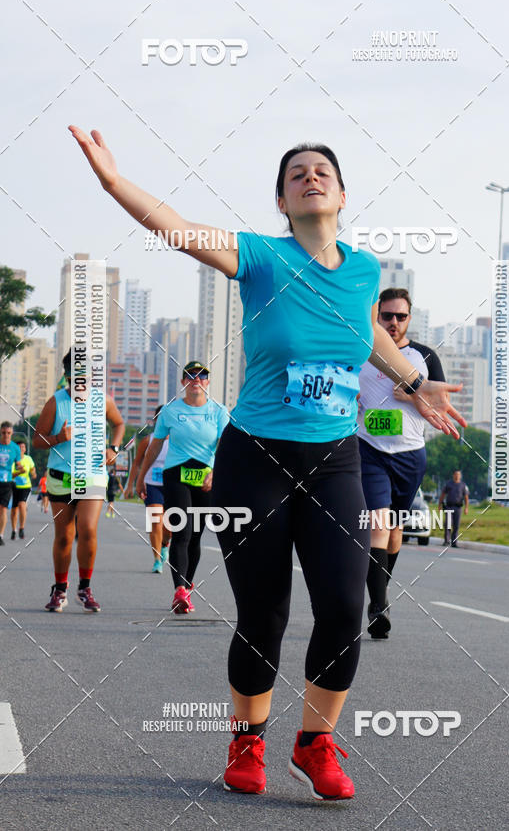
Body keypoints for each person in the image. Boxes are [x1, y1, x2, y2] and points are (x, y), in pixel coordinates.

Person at [69, 125, 465, 800]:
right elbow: (178, 228)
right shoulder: (259, 258)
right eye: (296, 175)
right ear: (282, 202)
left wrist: (410, 379)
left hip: (336, 458)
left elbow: (364, 330)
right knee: (265, 614)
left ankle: (315, 745)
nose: (310, 178)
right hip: (256, 456)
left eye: (322, 172)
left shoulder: (365, 270)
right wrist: (114, 182)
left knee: (343, 607)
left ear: (342, 195)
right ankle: (247, 740)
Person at [358, 288, 446, 640]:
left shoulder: (424, 356)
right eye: (387, 316)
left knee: (394, 531)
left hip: (410, 455)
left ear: (410, 319)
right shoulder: (362, 349)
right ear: (377, 316)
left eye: (400, 317)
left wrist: (414, 392)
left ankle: (381, 592)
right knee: (378, 524)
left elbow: (441, 404)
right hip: (369, 450)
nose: (393, 322)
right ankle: (378, 607)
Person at [33, 349, 125, 612]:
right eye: (76, 377)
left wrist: (114, 449)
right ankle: (59, 589)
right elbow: (37, 441)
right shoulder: (56, 402)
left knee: (88, 528)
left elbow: (118, 424)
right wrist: (59, 438)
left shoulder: (103, 401)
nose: (81, 383)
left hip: (93, 474)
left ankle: (85, 588)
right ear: (67, 376)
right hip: (61, 477)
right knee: (64, 536)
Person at [135, 363, 228, 610]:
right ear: (183, 382)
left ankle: (186, 588)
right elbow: (154, 446)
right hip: (176, 474)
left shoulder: (219, 411)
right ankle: (178, 589)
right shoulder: (170, 410)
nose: (196, 379)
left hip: (205, 478)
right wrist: (140, 477)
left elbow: (226, 446)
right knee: (182, 532)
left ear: (208, 382)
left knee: (196, 537)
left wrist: (216, 473)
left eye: (202, 375)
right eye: (190, 375)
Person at [124, 405, 171, 573]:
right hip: (151, 485)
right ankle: (157, 559)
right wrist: (131, 484)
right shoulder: (148, 440)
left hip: (172, 485)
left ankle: (165, 544)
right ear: (156, 421)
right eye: (160, 418)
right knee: (155, 521)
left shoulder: (178, 440)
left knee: (169, 526)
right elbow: (136, 463)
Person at [0, 422, 24, 546]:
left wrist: (21, 469)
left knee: (3, 508)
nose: (6, 435)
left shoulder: (15, 448)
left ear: (12, 433)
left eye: (8, 433)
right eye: (3, 433)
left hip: (7, 482)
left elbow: (18, 464)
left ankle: (1, 535)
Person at [11, 441, 36, 540]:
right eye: (19, 447)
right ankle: (14, 530)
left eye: (23, 447)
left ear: (25, 449)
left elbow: (33, 470)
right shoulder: (13, 460)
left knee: (22, 505)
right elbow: (11, 474)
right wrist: (19, 472)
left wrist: (33, 473)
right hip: (13, 486)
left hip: (25, 486)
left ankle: (21, 528)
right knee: (14, 510)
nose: (21, 448)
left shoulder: (28, 459)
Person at [438, 470, 469, 547]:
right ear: (453, 475)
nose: (457, 476)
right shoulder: (448, 484)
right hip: (449, 507)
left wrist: (466, 508)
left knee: (456, 525)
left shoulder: (463, 485)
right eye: (455, 474)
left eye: (458, 474)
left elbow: (466, 497)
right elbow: (443, 494)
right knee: (448, 524)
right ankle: (446, 541)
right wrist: (440, 505)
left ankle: (454, 542)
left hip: (458, 507)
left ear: (460, 476)